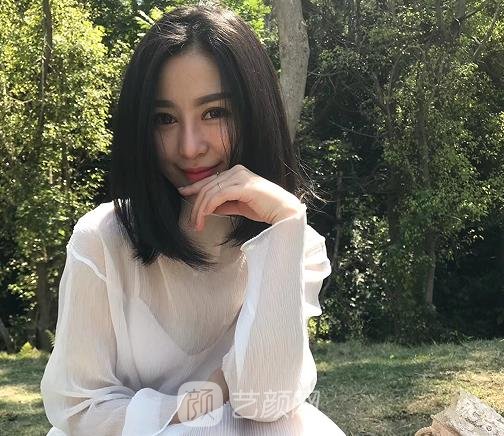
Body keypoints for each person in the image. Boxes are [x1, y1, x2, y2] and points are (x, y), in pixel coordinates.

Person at [40, 4, 346, 435]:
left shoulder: (295, 242)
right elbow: (78, 409)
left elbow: (266, 399)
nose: (189, 147)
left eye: (214, 112)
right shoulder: (102, 240)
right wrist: (203, 404)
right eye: (165, 119)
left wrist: (287, 222)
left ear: (254, 113)